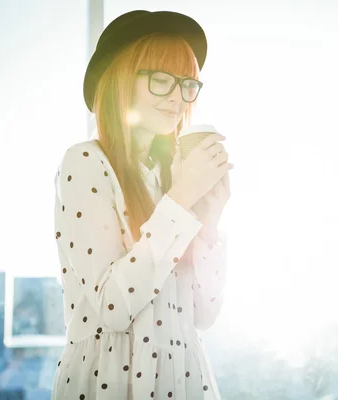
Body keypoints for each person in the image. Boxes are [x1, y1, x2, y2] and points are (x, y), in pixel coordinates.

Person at [51, 10, 232, 400]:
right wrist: (182, 200)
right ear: (120, 82)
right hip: (111, 381)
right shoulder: (85, 163)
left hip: (184, 379)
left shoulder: (169, 179)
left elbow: (204, 314)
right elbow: (113, 307)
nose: (177, 98)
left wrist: (210, 222)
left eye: (186, 84)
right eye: (161, 80)